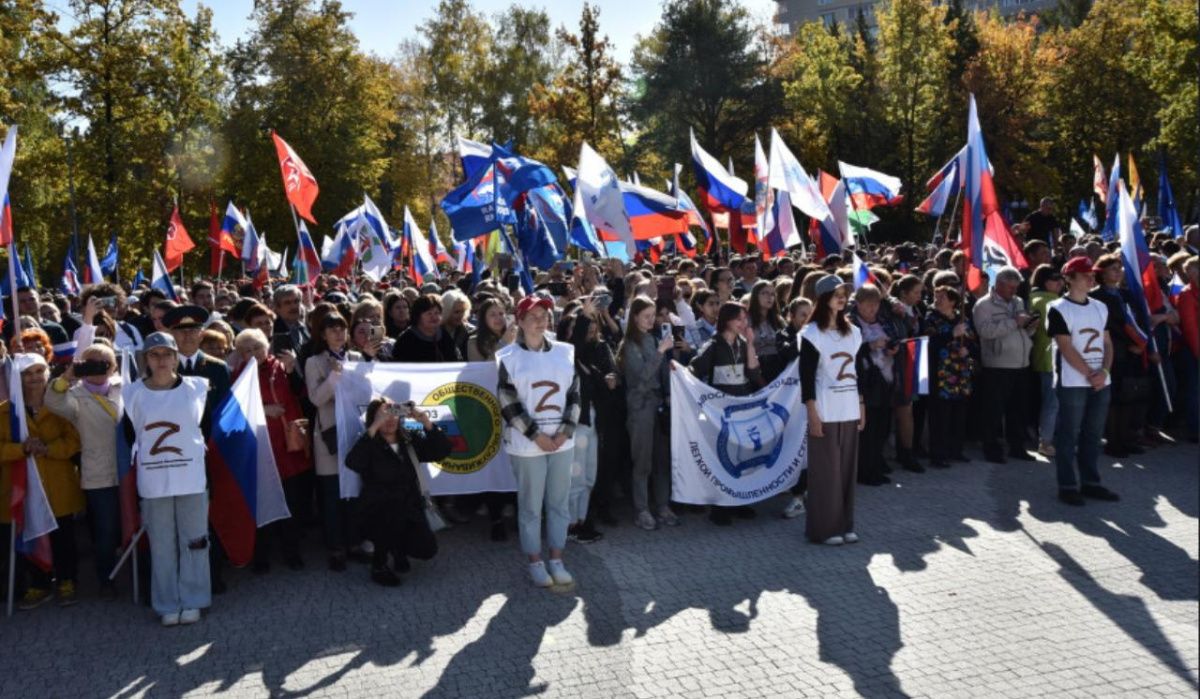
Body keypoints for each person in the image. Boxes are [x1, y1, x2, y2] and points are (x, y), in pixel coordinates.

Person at [121, 333, 211, 626]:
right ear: (145, 359)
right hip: (154, 480)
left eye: (166, 354)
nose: (161, 360)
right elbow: (129, 434)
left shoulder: (196, 387)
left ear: (175, 357)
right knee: (161, 543)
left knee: (195, 540)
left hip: (191, 477)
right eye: (154, 355)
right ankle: (166, 602)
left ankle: (194, 598)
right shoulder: (132, 393)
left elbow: (204, 429)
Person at [496, 295, 580, 588]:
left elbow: (574, 395)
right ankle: (535, 560)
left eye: (543, 314)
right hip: (527, 445)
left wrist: (565, 431)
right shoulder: (508, 357)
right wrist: (536, 436)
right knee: (531, 506)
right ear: (519, 321)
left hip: (561, 442)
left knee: (559, 503)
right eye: (532, 316)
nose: (539, 321)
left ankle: (556, 557)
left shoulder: (565, 352)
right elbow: (508, 403)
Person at [2, 353, 84, 609]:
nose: (35, 378)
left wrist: (48, 449)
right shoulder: (5, 411)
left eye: (39, 371)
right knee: (29, 534)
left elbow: (74, 441)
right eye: (28, 373)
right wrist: (22, 449)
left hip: (57, 483)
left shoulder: (61, 405)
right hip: (22, 486)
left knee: (64, 537)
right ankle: (39, 584)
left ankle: (66, 581)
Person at [44, 342, 123, 599]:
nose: (98, 370)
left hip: (129, 469)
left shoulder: (125, 388)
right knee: (106, 528)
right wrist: (67, 376)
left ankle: (138, 570)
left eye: (104, 364)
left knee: (134, 522)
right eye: (91, 364)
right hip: (98, 472)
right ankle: (106, 578)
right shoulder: (75, 396)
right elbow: (53, 400)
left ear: (114, 367)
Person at [345, 397, 448, 586]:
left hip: (409, 505)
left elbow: (440, 451)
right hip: (377, 508)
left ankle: (398, 549)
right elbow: (353, 462)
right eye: (384, 416)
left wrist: (425, 422)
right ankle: (379, 564)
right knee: (389, 516)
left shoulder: (408, 439)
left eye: (394, 414)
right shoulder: (370, 442)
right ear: (373, 420)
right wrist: (375, 426)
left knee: (427, 549)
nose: (390, 420)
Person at [232, 329, 308, 572]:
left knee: (293, 501)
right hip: (260, 447)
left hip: (288, 445)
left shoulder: (282, 366)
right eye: (247, 350)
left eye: (257, 347)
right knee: (261, 501)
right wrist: (264, 410)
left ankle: (292, 551)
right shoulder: (239, 374)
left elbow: (303, 395)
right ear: (240, 354)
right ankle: (261, 554)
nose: (253, 353)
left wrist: (293, 371)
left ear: (267, 346)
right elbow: (235, 408)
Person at [1047, 257, 1120, 505]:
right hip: (1073, 382)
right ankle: (1067, 485)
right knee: (1068, 434)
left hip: (1100, 380)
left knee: (1093, 434)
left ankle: (1091, 482)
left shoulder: (1101, 306)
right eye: (1085, 274)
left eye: (1093, 274)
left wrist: (1105, 372)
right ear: (1070, 278)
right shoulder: (1058, 308)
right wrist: (1092, 374)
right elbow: (1065, 348)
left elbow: (1108, 343)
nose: (1091, 278)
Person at [800, 275, 865, 545]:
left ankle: (845, 524)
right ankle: (824, 529)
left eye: (844, 293)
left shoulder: (853, 331)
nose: (842, 297)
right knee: (827, 472)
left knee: (847, 470)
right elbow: (806, 378)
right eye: (837, 293)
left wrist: (861, 405)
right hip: (825, 409)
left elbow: (856, 370)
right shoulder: (811, 334)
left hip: (849, 407)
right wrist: (812, 414)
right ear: (824, 297)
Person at [688, 301, 764, 526]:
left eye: (745, 319)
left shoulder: (742, 343)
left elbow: (752, 372)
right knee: (723, 458)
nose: (744, 323)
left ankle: (739, 501)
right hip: (719, 412)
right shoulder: (713, 345)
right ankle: (720, 506)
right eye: (739, 319)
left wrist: (750, 343)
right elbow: (695, 366)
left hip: (741, 407)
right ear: (727, 320)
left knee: (741, 456)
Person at [304, 313, 362, 572]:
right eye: (332, 329)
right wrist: (334, 377)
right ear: (323, 334)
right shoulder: (314, 362)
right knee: (331, 494)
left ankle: (355, 542)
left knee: (354, 492)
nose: (338, 333)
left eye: (342, 328)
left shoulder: (357, 359)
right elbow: (316, 398)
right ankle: (335, 547)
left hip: (355, 431)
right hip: (329, 432)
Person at [618, 296, 677, 531]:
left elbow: (660, 372)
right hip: (640, 407)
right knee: (642, 461)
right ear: (634, 317)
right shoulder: (629, 345)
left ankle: (662, 505)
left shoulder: (654, 340)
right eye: (647, 316)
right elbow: (639, 379)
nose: (652, 320)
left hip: (658, 405)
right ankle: (641, 509)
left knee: (661, 458)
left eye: (654, 316)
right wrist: (661, 352)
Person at [561, 304, 616, 544]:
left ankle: (582, 520)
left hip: (595, 419)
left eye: (593, 322)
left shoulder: (597, 351)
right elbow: (576, 348)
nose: (590, 327)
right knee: (575, 476)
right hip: (577, 422)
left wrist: (611, 378)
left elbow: (608, 377)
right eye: (584, 324)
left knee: (589, 475)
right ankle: (570, 524)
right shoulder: (565, 354)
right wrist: (583, 315)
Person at [973, 267, 1036, 463]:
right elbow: (985, 331)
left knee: (1018, 409)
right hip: (997, 364)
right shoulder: (984, 305)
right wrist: (1014, 322)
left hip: (1021, 363)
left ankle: (1017, 446)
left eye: (1016, 287)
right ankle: (991, 447)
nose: (1014, 292)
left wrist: (1030, 327)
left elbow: (1021, 329)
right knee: (994, 409)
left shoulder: (1018, 302)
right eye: (1010, 287)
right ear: (998, 284)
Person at [923, 286, 976, 468]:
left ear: (953, 302)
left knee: (959, 414)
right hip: (942, 373)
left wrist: (967, 349)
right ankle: (938, 453)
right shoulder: (931, 320)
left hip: (961, 374)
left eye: (942, 297)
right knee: (941, 416)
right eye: (936, 297)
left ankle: (956, 450)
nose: (937, 300)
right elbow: (930, 344)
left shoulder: (963, 320)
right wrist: (951, 334)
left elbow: (974, 344)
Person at [850, 284, 897, 486]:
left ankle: (877, 464)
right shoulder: (851, 324)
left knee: (881, 426)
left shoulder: (883, 321)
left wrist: (891, 348)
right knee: (867, 429)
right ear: (858, 304)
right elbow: (848, 350)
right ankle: (865, 471)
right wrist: (869, 345)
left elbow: (894, 339)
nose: (872, 309)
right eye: (868, 305)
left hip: (885, 378)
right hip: (865, 381)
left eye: (875, 304)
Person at [1028, 264, 1065, 456]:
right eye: (1054, 278)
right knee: (1053, 402)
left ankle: (1050, 438)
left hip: (1049, 355)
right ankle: (1046, 441)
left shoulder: (1044, 298)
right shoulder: (1044, 301)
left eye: (1061, 278)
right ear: (1044, 281)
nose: (1060, 282)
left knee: (1053, 401)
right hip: (1049, 356)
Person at [392, 294, 463, 362]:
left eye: (437, 313)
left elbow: (455, 360)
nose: (434, 317)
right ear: (418, 316)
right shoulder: (405, 340)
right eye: (429, 313)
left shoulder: (444, 335)